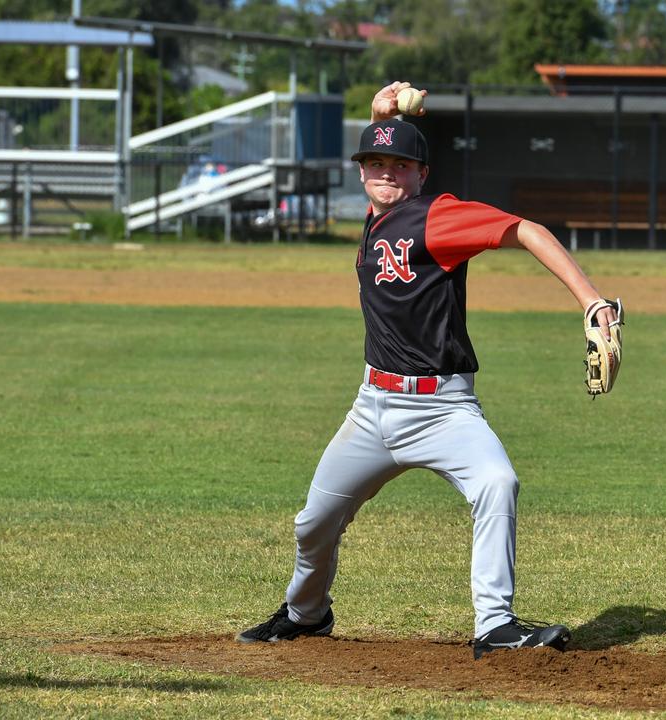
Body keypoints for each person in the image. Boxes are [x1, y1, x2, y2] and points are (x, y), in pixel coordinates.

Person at [237, 82, 618, 659]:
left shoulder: (439, 218)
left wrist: (592, 300)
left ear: (422, 172)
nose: (385, 172)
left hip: (443, 409)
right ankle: (306, 612)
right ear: (362, 171)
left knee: (497, 483)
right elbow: (381, 167)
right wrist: (379, 116)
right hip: (371, 410)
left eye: (399, 164)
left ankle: (495, 625)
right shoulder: (374, 217)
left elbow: (526, 231)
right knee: (314, 521)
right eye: (374, 162)